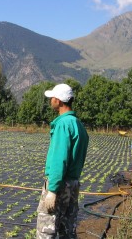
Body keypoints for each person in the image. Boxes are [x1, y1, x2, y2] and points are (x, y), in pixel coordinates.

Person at [37, 83, 89, 238]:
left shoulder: (63, 124)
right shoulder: (78, 124)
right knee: (67, 231)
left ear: (58, 101)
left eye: (52, 97)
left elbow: (60, 159)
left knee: (46, 230)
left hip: (60, 185)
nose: (50, 100)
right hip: (73, 184)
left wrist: (52, 190)